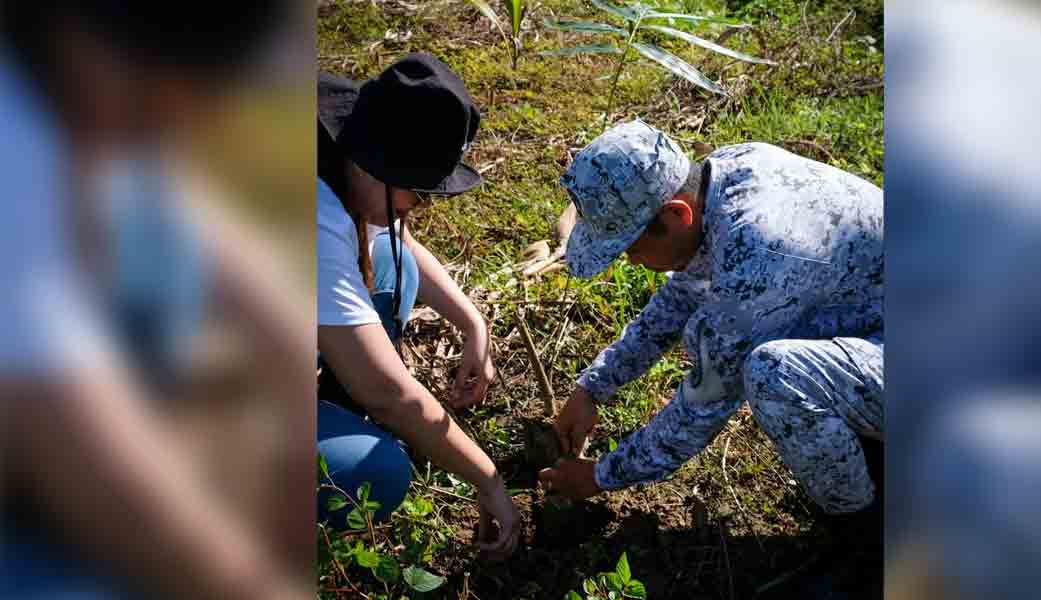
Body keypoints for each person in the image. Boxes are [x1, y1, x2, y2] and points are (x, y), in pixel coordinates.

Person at [0, 2, 313, 599]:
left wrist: (298, 427)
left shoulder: (98, 100)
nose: (193, 113)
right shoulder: (13, 149)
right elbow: (70, 438)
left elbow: (208, 238)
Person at [539, 120, 885, 515]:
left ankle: (861, 526)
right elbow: (683, 295)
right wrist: (593, 387)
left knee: (775, 375)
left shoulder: (757, 255)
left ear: (675, 216)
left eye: (629, 248)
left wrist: (601, 475)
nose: (631, 261)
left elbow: (701, 406)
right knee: (723, 334)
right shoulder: (725, 174)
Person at [315, 54, 519, 558]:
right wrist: (488, 479)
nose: (419, 207)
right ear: (373, 164)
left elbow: (396, 241)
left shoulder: (332, 152)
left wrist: (472, 322)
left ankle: (332, 407)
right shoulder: (310, 218)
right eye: (418, 190)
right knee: (377, 473)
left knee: (389, 258)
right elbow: (387, 394)